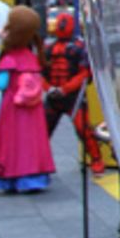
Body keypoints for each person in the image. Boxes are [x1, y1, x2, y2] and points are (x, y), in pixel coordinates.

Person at [0, 5, 56, 194]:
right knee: (31, 142)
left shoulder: (9, 59)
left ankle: (13, 176)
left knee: (13, 143)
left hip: (12, 108)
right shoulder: (31, 57)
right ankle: (33, 177)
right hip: (32, 109)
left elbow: (2, 83)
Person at [43, 11, 106, 173]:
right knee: (42, 132)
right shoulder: (49, 48)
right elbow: (40, 72)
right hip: (54, 96)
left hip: (74, 98)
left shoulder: (79, 48)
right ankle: (39, 163)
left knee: (84, 130)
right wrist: (49, 88)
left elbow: (85, 73)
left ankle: (97, 160)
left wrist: (65, 89)